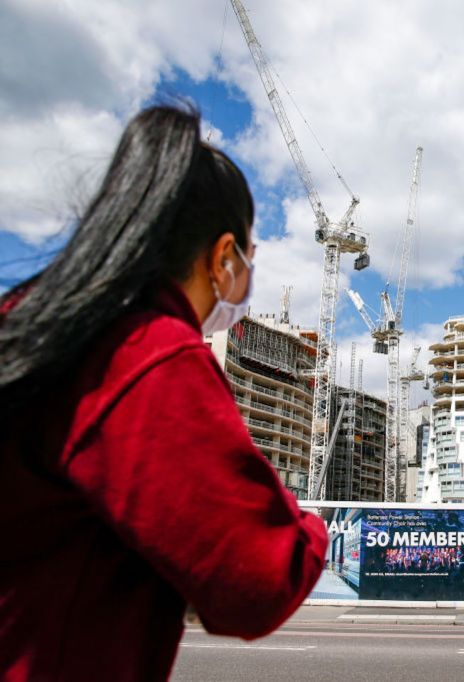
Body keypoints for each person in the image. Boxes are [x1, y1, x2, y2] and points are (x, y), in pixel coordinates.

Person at [0, 106, 328, 681]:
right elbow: (259, 579)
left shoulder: (35, 322)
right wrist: (314, 526)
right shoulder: (150, 355)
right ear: (223, 258)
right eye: (250, 255)